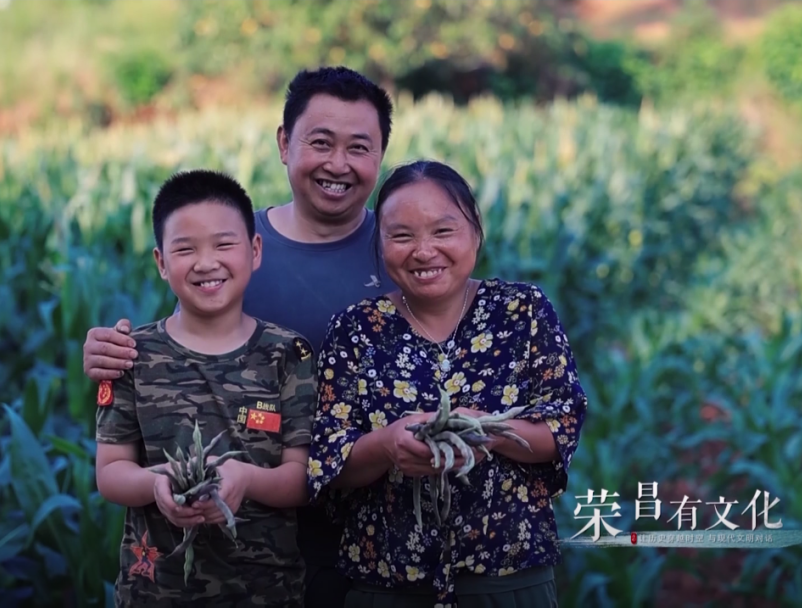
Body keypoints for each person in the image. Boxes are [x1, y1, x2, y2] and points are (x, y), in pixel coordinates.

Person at [84, 66, 396, 607]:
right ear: (284, 143)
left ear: (382, 153)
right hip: (230, 558)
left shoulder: (406, 248)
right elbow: (179, 347)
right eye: (321, 142)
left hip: (380, 540)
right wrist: (108, 351)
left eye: (359, 147)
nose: (338, 164)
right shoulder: (226, 239)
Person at [306, 160, 587, 608]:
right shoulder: (356, 330)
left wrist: (488, 432)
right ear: (380, 243)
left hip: (508, 582)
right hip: (388, 585)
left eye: (443, 231)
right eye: (402, 236)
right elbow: (328, 461)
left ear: (475, 231)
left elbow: (561, 428)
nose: (424, 251)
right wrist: (388, 445)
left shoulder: (523, 311)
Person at [94, 169, 318, 607]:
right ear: (161, 262)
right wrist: (159, 485)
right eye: (185, 249)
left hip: (266, 593)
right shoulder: (130, 355)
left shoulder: (287, 354)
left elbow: (301, 478)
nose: (206, 262)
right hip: (156, 593)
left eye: (223, 244)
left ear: (255, 250)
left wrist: (245, 479)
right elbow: (110, 472)